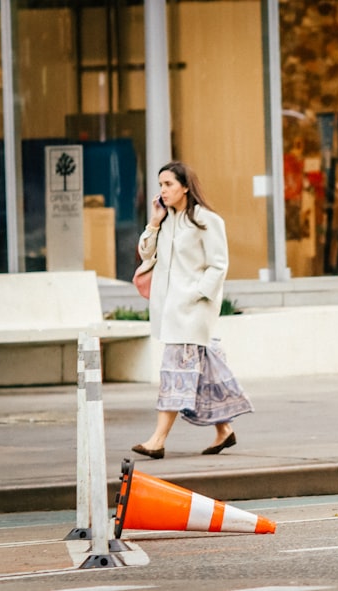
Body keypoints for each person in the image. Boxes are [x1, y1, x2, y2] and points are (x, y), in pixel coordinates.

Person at [131, 161, 253, 460]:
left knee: (176, 373)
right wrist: (155, 221)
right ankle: (224, 430)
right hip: (170, 312)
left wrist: (195, 295)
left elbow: (218, 265)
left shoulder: (207, 220)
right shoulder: (167, 219)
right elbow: (146, 252)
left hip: (192, 313)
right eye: (160, 185)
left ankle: (157, 440)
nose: (163, 190)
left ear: (185, 186)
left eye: (169, 184)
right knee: (201, 373)